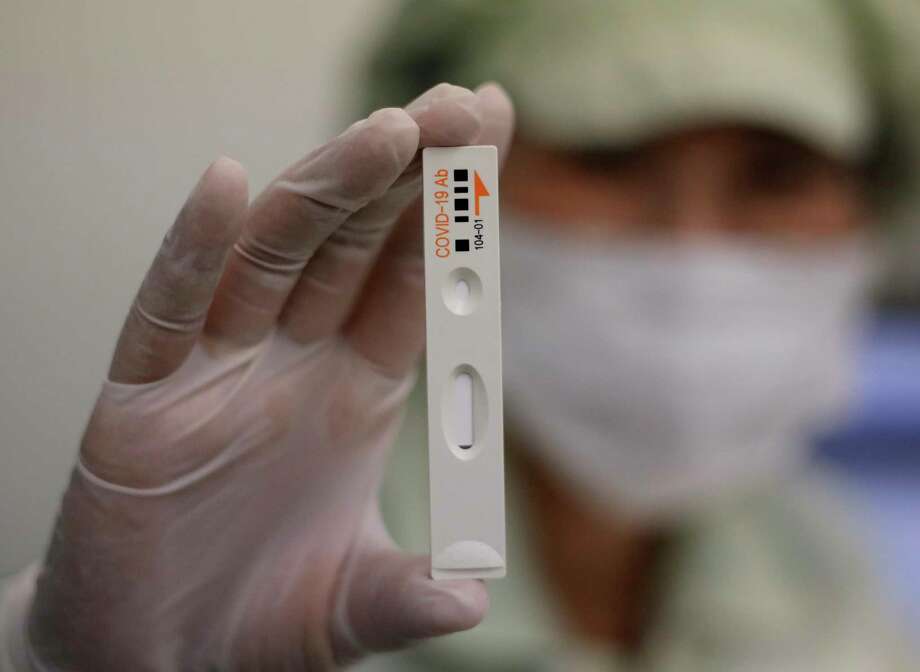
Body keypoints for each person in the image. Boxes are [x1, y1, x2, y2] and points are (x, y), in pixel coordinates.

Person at [1, 1, 918, 670]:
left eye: (775, 173)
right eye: (607, 155)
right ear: (464, 195)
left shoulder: (822, 565)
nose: (690, 248)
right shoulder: (263, 549)